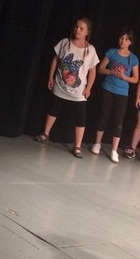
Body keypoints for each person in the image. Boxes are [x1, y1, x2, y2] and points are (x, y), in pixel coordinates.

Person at [34, 18, 99, 158]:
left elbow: (93, 71)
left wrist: (88, 88)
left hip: (78, 91)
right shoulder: (65, 43)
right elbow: (55, 60)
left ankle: (77, 146)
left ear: (87, 32)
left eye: (81, 28)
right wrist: (50, 77)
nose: (77, 30)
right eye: (76, 27)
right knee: (53, 110)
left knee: (80, 118)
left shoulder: (91, 50)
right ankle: (45, 133)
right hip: (60, 86)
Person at [92, 29, 139, 163]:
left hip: (122, 92)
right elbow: (100, 69)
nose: (123, 41)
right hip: (108, 88)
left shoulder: (133, 58)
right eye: (121, 38)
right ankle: (97, 143)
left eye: (126, 39)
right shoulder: (112, 52)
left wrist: (124, 76)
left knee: (118, 121)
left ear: (130, 42)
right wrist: (111, 71)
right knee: (103, 116)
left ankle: (114, 150)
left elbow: (135, 79)